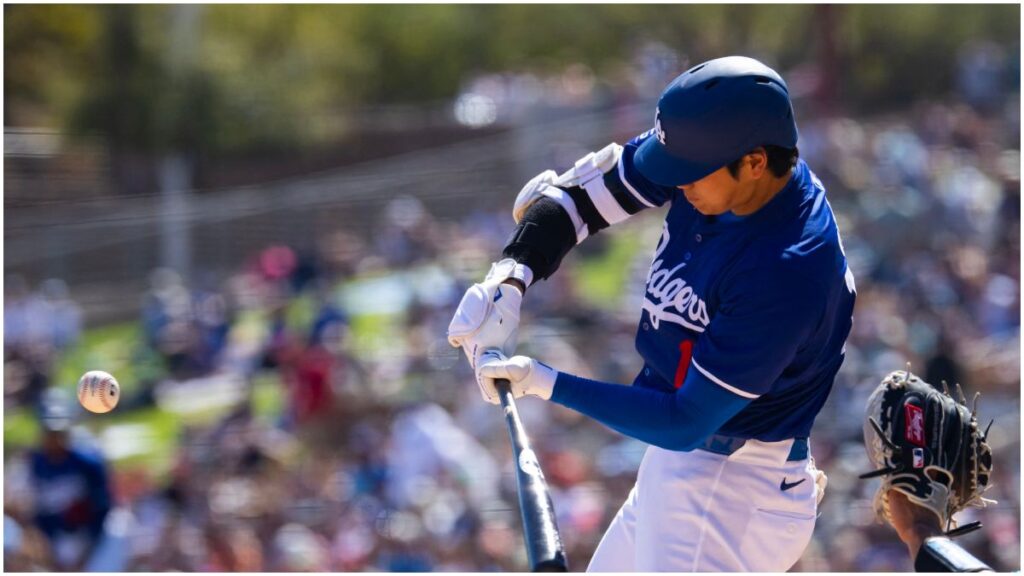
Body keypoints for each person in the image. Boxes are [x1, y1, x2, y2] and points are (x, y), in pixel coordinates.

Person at [448, 55, 857, 571]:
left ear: (755, 162)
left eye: (691, 176)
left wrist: (545, 382)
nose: (677, 187)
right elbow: (578, 200)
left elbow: (684, 422)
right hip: (693, 469)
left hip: (730, 491)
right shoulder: (719, 161)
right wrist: (513, 274)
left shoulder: (787, 267)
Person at [28, 398, 113, 571]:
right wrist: (48, 553)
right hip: (59, 539)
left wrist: (86, 553)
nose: (55, 438)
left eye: (59, 432)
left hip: (96, 534)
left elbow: (102, 508)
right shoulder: (36, 464)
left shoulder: (87, 463)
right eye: (49, 432)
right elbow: (38, 513)